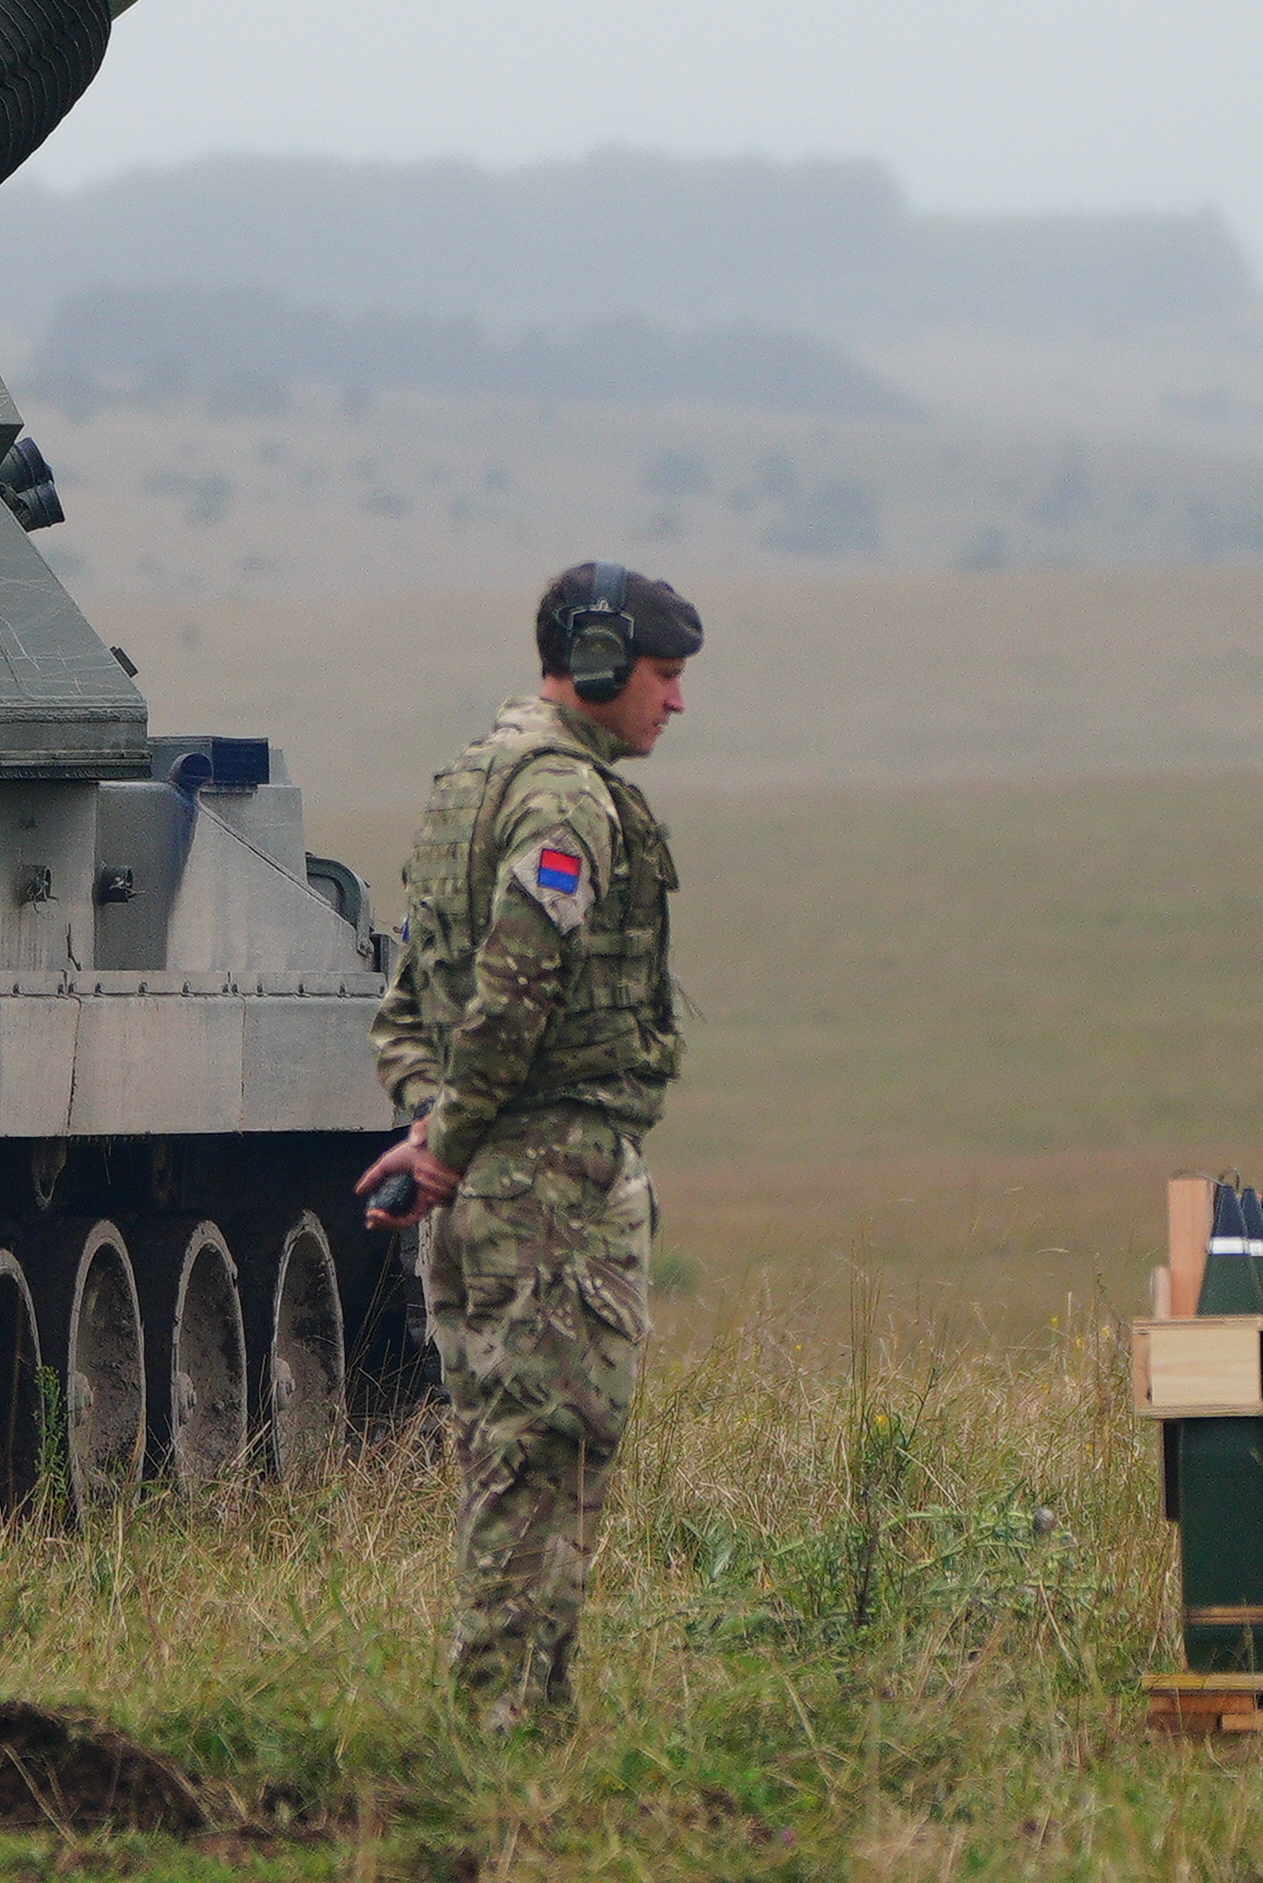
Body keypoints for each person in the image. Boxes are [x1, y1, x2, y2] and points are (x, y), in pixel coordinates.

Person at [361, 560, 699, 1730]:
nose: (677, 700)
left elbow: (404, 1007)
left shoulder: (470, 781)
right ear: (601, 666)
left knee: (529, 1449)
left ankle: (532, 1723)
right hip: (547, 1180)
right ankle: (497, 1728)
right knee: (539, 1457)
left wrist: (431, 1128)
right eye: (663, 675)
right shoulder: (564, 801)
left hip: (482, 1184)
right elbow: (518, 987)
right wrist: (452, 1141)